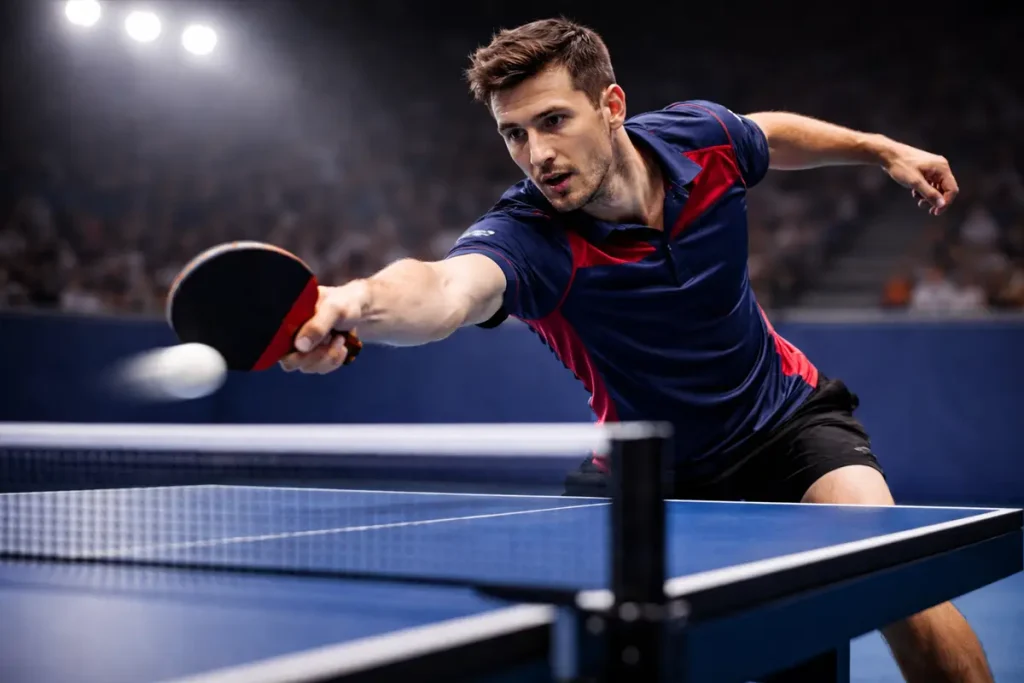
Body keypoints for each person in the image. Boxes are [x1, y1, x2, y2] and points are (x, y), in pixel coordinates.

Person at [279, 17, 990, 683]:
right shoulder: (529, 238)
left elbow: (767, 135)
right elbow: (442, 290)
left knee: (900, 579)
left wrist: (881, 149)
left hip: (785, 423)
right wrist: (358, 302)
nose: (538, 155)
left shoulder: (700, 137)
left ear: (611, 104)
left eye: (554, 120)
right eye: (514, 134)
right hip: (648, 466)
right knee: (586, 648)